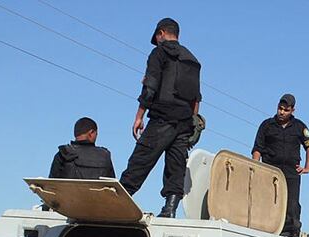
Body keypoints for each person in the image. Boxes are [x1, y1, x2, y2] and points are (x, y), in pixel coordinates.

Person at [119, 17, 201, 217]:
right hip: (184, 122)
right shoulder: (192, 60)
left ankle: (119, 203)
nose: (157, 42)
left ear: (161, 33)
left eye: (157, 38)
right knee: (176, 165)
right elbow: (196, 98)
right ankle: (169, 209)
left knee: (141, 159)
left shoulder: (159, 53)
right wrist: (192, 122)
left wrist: (139, 116)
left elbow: (150, 87)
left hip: (162, 118)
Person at [252, 94, 309, 237]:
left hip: (291, 171)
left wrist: (307, 167)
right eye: (280, 109)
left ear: (293, 110)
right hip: (270, 169)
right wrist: (255, 167)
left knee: (292, 205)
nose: (281, 112)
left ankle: (291, 233)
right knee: (268, 200)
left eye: (286, 110)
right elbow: (257, 148)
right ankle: (264, 228)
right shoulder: (267, 125)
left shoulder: (300, 127)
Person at [49, 117, 115, 179]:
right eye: (96, 134)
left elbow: (51, 186)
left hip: (68, 191)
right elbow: (112, 187)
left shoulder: (63, 154)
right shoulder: (105, 156)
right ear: (91, 133)